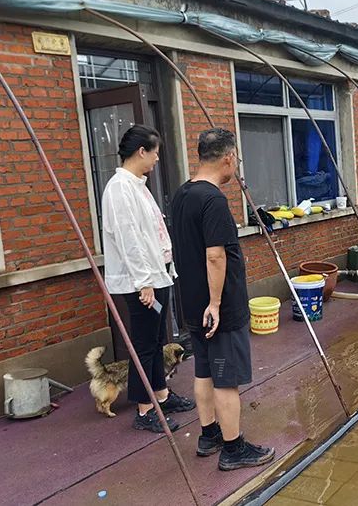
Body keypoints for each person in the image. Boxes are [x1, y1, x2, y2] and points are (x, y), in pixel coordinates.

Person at [171, 128, 275, 471]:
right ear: (228, 158)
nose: (236, 167)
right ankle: (233, 449)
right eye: (237, 160)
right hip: (218, 308)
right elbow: (215, 256)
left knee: (204, 371)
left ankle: (209, 434)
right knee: (225, 378)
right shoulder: (213, 199)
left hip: (191, 302)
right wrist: (216, 304)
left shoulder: (182, 194)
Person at [102, 125, 195, 433]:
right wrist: (143, 281)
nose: (157, 159)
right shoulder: (119, 188)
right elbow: (129, 239)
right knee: (144, 345)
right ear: (141, 151)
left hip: (158, 276)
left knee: (156, 342)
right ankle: (144, 411)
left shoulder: (137, 185)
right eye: (155, 152)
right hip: (142, 282)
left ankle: (161, 395)